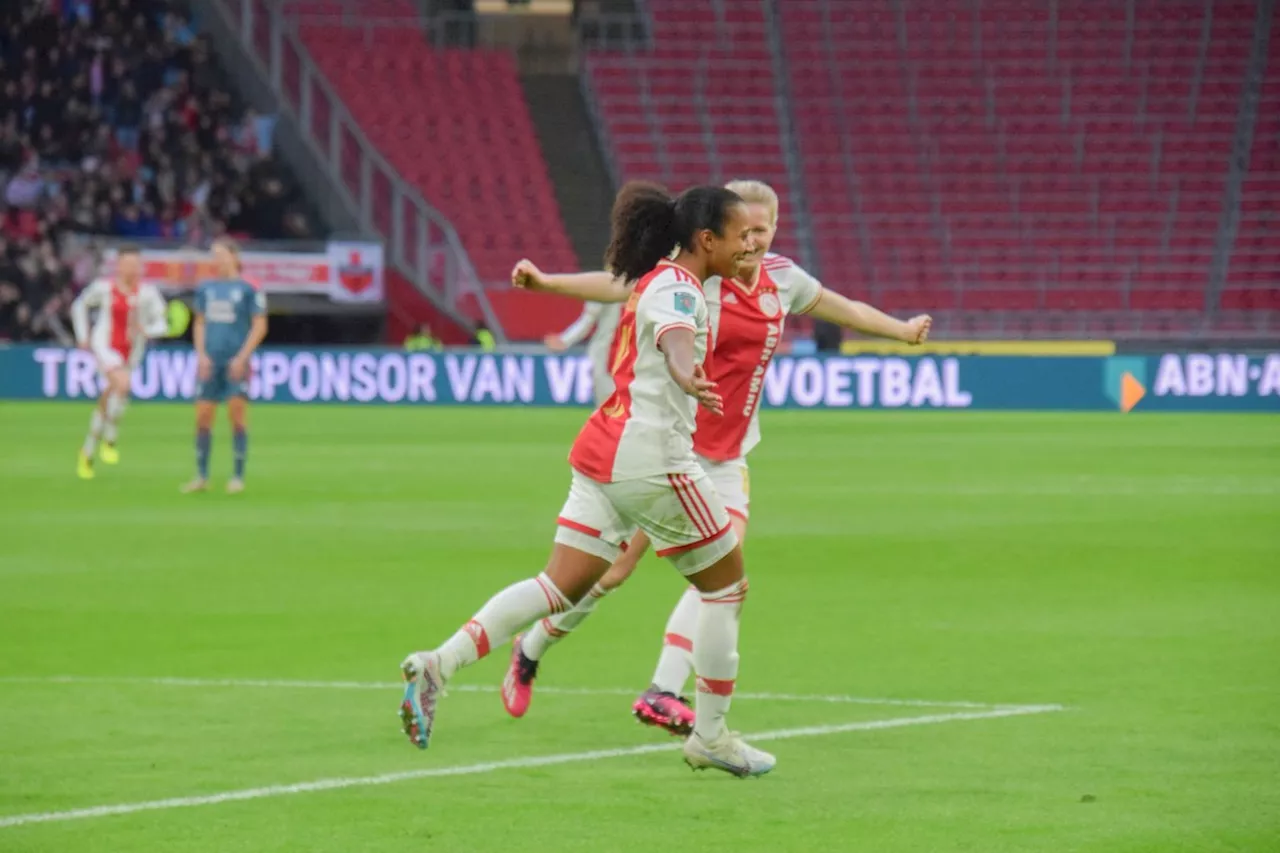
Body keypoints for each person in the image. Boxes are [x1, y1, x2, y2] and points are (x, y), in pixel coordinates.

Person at [505, 180, 933, 735]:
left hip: (725, 458)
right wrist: (546, 283)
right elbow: (618, 284)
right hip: (666, 454)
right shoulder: (693, 277)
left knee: (719, 578)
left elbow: (840, 307)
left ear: (775, 228)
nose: (753, 240)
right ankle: (532, 646)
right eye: (744, 230)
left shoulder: (784, 278)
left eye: (762, 230)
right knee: (612, 572)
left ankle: (663, 689)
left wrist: (900, 330)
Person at [399, 182, 777, 777]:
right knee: (726, 590)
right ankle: (710, 734)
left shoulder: (667, 278)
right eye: (738, 239)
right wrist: (688, 376)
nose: (748, 251)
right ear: (707, 240)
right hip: (652, 460)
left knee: (558, 587)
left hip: (602, 448)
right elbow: (678, 342)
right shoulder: (680, 289)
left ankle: (437, 665)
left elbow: (644, 308)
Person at [70, 246, 170, 480]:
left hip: (131, 353)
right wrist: (82, 335)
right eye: (127, 263)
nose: (132, 268)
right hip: (104, 346)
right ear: (119, 265)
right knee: (122, 385)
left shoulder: (148, 294)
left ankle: (87, 450)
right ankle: (111, 438)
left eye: (136, 263)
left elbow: (163, 323)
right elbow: (79, 305)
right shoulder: (104, 288)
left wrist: (148, 330)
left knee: (113, 395)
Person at [181, 238, 268, 494]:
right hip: (211, 361)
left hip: (235, 362)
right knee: (203, 417)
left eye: (221, 255)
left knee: (237, 415)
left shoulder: (248, 288)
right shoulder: (206, 288)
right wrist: (201, 355)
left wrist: (242, 357)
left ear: (234, 257)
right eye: (214, 256)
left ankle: (238, 476)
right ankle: (201, 476)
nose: (216, 261)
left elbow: (260, 325)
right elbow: (199, 322)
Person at [544, 300, 623, 406]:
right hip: (625, 352)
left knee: (609, 404)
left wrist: (565, 340)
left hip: (608, 353)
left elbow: (588, 320)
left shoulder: (601, 284)